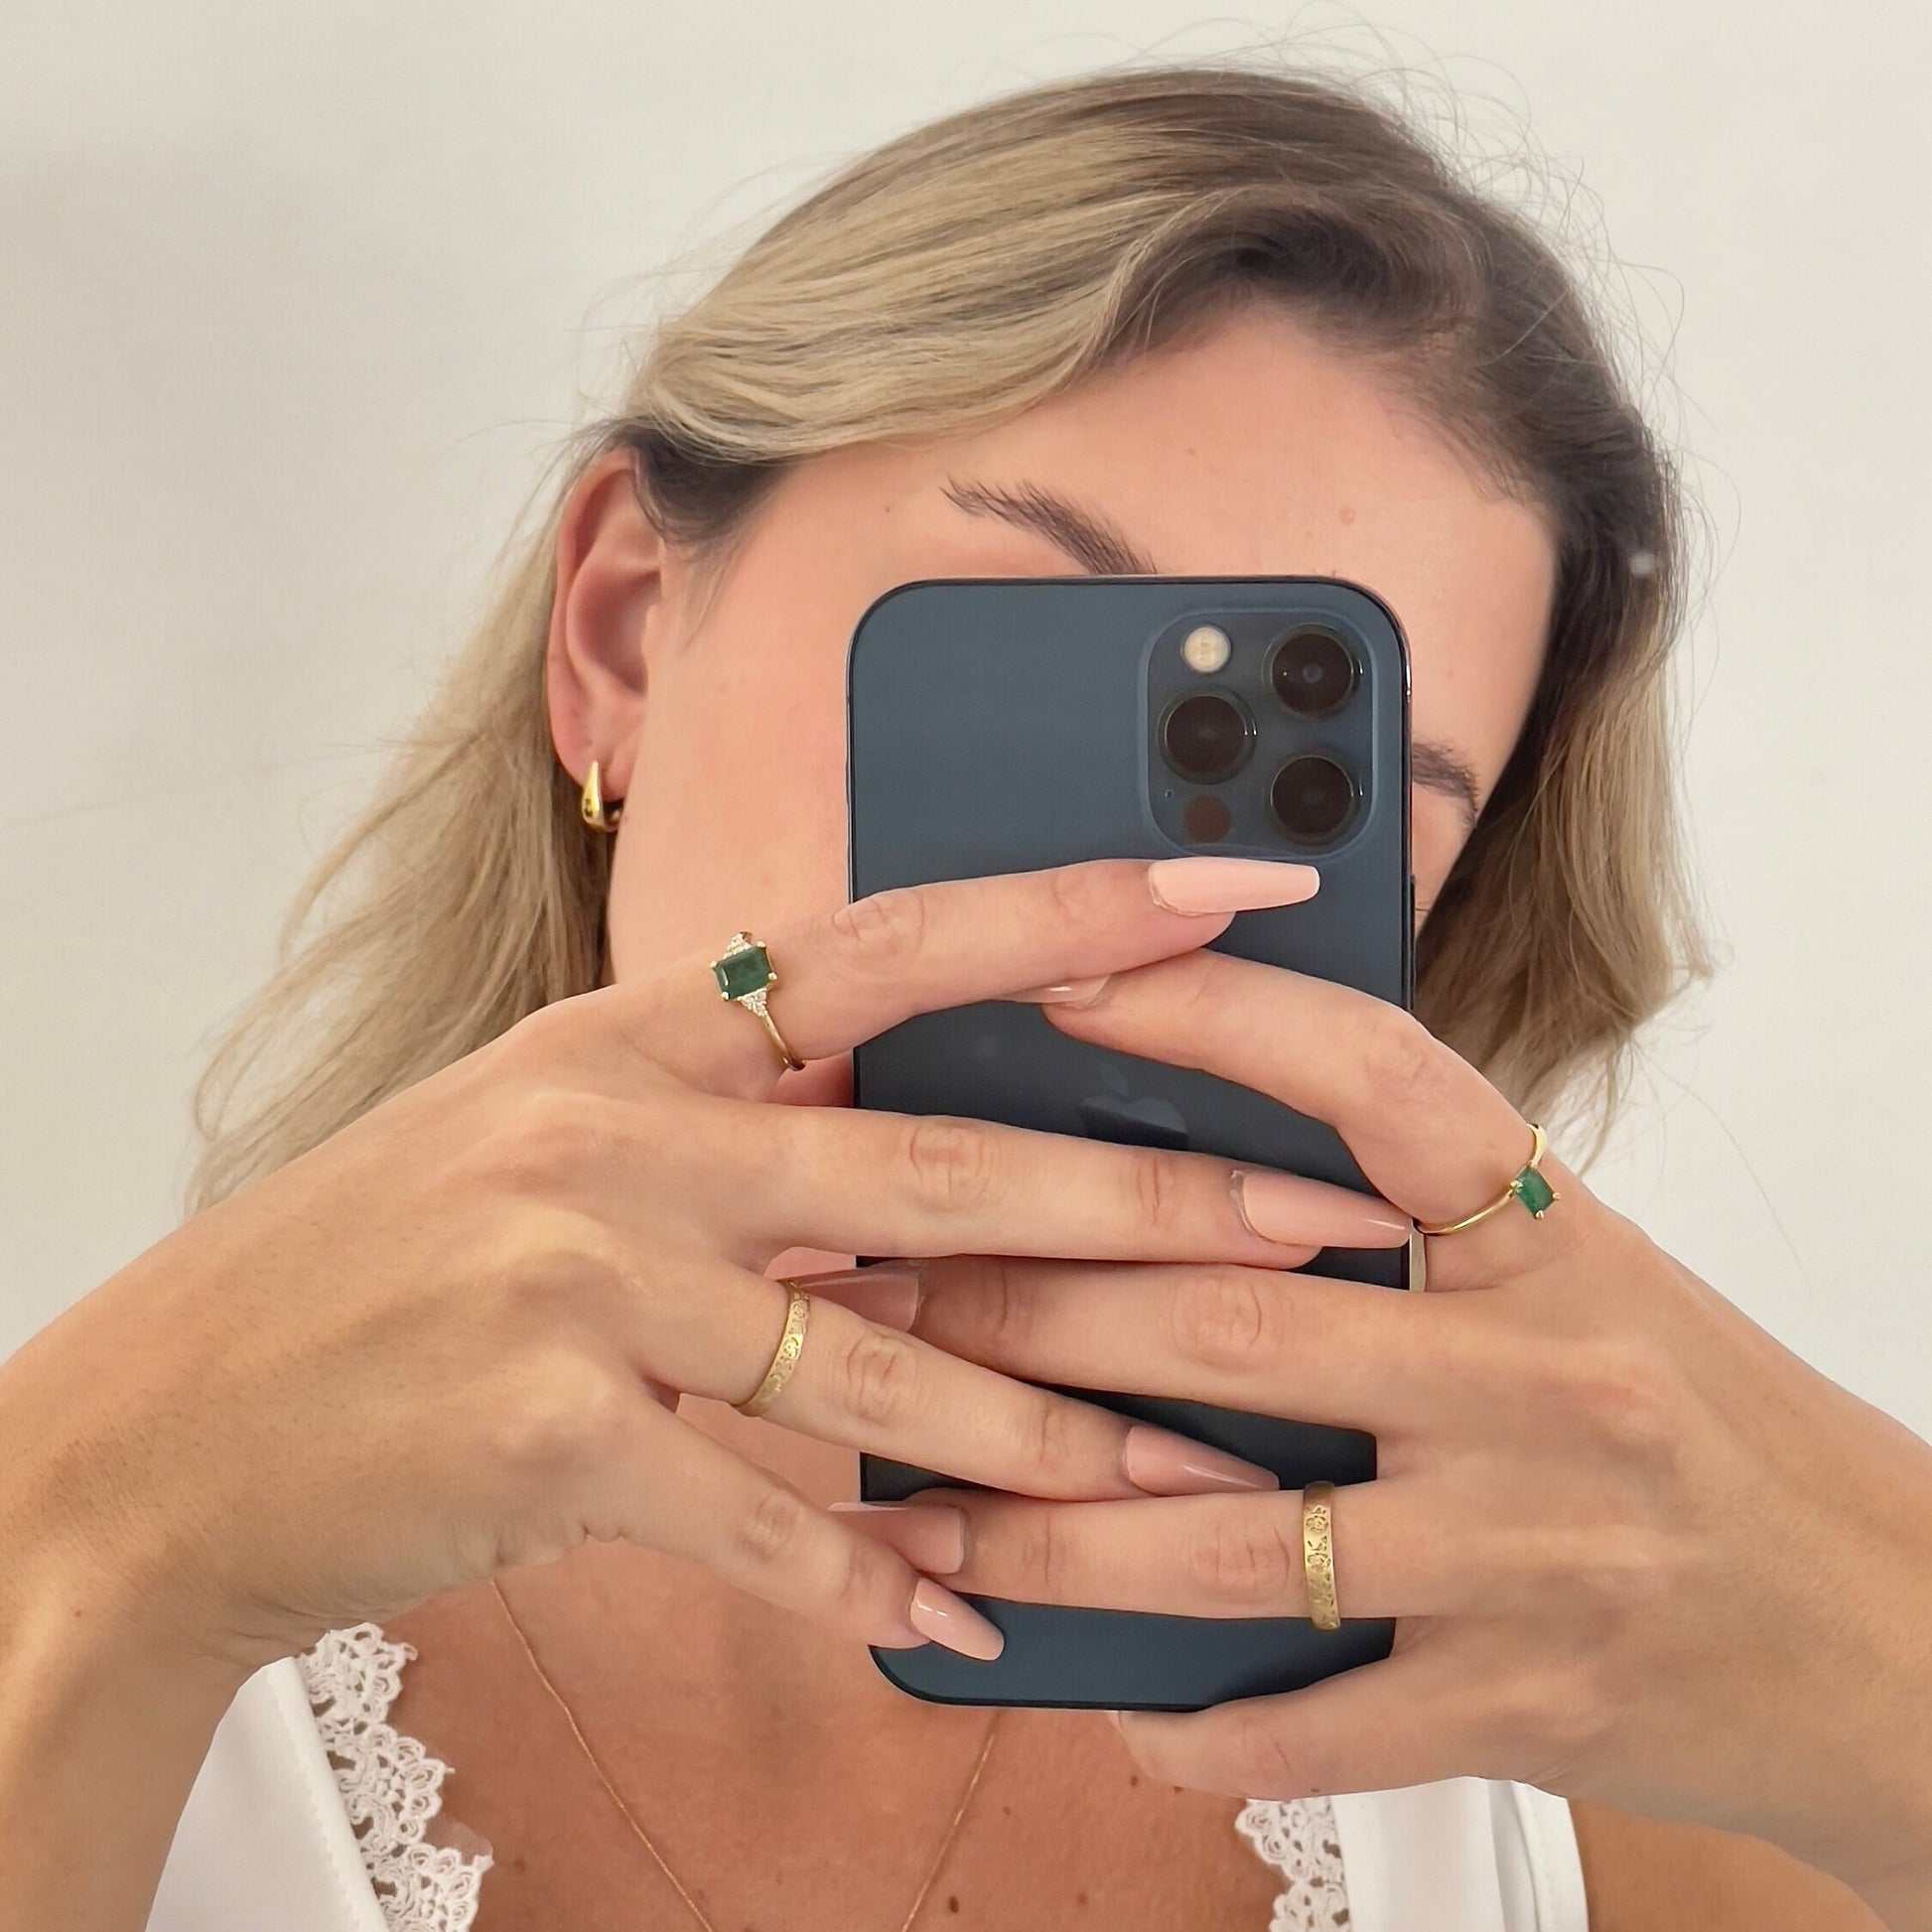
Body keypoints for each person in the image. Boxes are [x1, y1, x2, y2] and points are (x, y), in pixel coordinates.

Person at [3, 59, 1929, 1932]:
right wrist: (92, 1528)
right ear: (620, 642)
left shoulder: (1570, 1712)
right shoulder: (96, 1533)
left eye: (1321, 820)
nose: (1117, 926)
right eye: (1028, 686)